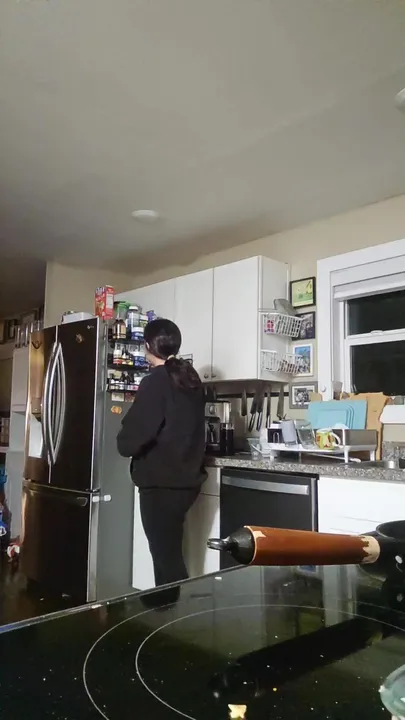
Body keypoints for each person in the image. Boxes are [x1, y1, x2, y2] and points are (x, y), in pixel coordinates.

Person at [116, 318, 206, 590]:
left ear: (147, 346)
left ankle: (180, 613)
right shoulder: (190, 378)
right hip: (186, 483)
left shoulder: (156, 381)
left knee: (167, 561)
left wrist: (124, 441)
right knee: (166, 554)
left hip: (161, 486)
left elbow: (134, 435)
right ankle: (165, 608)